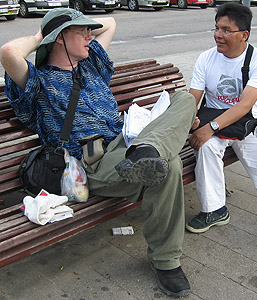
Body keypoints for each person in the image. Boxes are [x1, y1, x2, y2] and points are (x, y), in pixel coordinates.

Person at [0, 8, 197, 297]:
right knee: (170, 167)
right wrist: (43, 34)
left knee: (184, 99)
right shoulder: (37, 82)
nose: (90, 35)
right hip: (92, 163)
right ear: (58, 39)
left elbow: (111, 22)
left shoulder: (91, 65)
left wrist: (73, 27)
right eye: (81, 31)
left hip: (129, 141)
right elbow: (7, 52)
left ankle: (148, 150)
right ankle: (166, 262)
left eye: (88, 30)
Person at [186, 2, 257, 248]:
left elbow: (245, 105)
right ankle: (215, 210)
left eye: (226, 30)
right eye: (217, 28)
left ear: (244, 34)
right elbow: (194, 95)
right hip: (213, 120)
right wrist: (192, 119)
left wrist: (210, 128)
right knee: (205, 148)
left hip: (247, 125)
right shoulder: (206, 58)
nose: (218, 35)